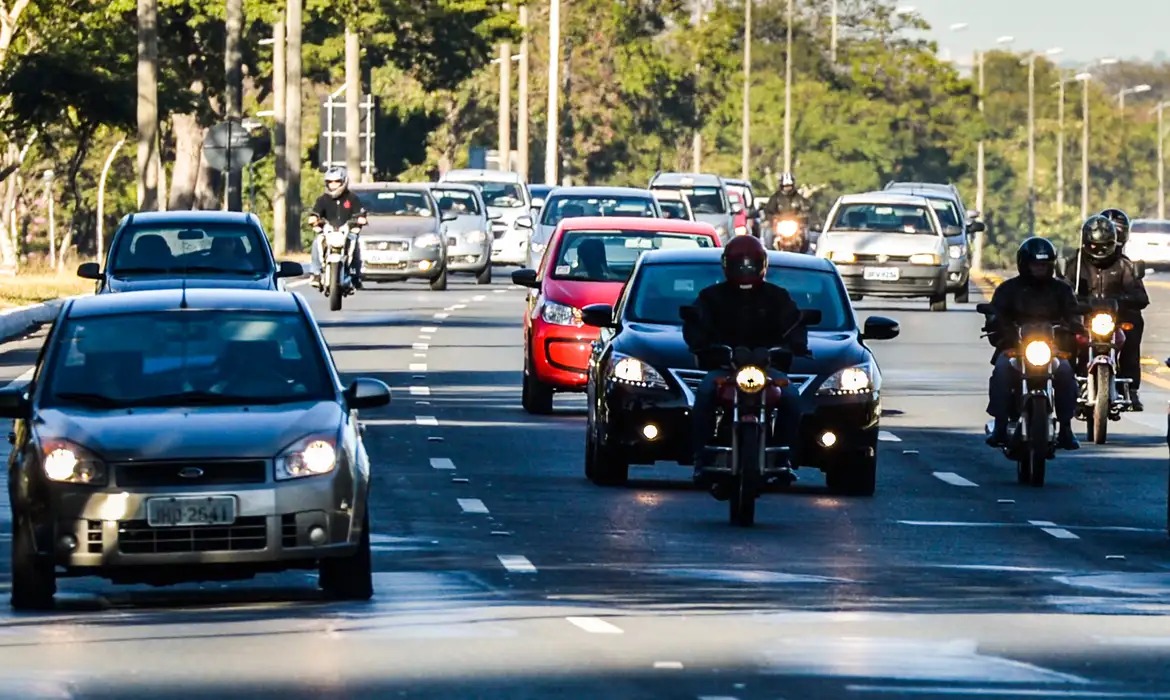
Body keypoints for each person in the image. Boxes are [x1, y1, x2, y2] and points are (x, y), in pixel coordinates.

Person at [682, 235, 808, 498]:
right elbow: (695, 326)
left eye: (752, 265)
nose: (746, 270)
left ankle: (786, 458)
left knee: (792, 397)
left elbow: (794, 324)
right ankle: (700, 456)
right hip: (725, 369)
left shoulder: (778, 297)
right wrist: (710, 349)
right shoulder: (711, 297)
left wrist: (791, 347)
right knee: (705, 393)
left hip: (766, 370)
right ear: (727, 265)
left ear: (762, 265)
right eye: (740, 265)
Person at [984, 237, 1083, 450]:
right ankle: (1000, 425)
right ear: (1024, 264)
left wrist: (1074, 328)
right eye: (1035, 265)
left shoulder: (1062, 290)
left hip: (1051, 350)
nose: (1040, 269)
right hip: (1016, 350)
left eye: (1044, 265)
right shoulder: (1008, 289)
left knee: (1066, 373)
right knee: (1001, 371)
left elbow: (1073, 315)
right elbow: (996, 316)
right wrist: (1002, 335)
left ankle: (1066, 427)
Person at [1061, 214, 1150, 410]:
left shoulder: (1123, 265)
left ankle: (1131, 388)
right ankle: (1065, 384)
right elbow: (1062, 289)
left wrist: (1123, 301)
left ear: (1114, 242)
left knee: (1133, 329)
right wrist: (1074, 302)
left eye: (1105, 245)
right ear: (1086, 242)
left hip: (1116, 318)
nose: (1099, 249)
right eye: (1094, 245)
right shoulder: (1075, 264)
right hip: (1084, 318)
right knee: (1063, 336)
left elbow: (1141, 296)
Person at [307, 167, 366, 289]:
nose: (333, 185)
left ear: (344, 181)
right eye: (330, 182)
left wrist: (360, 219)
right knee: (316, 242)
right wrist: (313, 219)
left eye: (337, 181)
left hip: (347, 231)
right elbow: (315, 213)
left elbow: (360, 213)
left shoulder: (352, 198)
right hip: (328, 232)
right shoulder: (322, 199)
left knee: (355, 244)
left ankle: (355, 275)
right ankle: (316, 274)